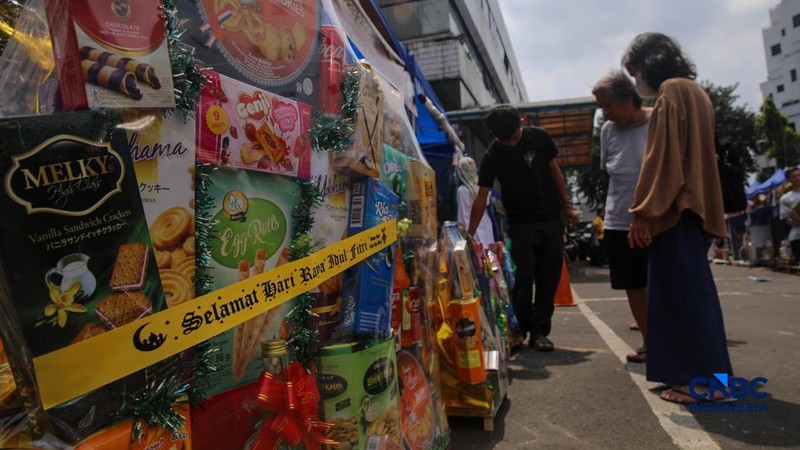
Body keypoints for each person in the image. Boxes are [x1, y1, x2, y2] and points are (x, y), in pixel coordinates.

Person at [623, 32, 733, 404]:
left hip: (677, 210)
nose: (636, 81)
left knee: (684, 297)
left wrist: (644, 212)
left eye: (635, 71)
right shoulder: (696, 91)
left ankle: (704, 382)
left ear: (649, 64)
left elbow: (662, 158)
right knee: (691, 294)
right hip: (694, 209)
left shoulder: (671, 91)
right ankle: (701, 376)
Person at [467, 105, 579, 352]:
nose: (509, 144)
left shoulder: (539, 138)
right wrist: (469, 233)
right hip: (520, 225)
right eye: (503, 139)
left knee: (548, 278)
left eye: (514, 138)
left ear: (522, 121)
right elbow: (481, 196)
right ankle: (519, 331)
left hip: (550, 219)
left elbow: (555, 171)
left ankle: (540, 332)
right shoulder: (493, 154)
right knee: (523, 278)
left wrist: (568, 206)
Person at [592, 70, 651, 363]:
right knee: (633, 283)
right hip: (618, 220)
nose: (605, 112)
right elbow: (613, 172)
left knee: (664, 281)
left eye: (608, 105)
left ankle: (676, 342)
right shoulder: (608, 131)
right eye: (601, 106)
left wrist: (646, 212)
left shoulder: (658, 121)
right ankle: (649, 342)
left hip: (656, 219)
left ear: (629, 97)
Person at [456, 156, 495, 247]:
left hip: (472, 230)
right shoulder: (483, 188)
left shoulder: (462, 191)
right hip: (486, 230)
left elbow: (462, 215)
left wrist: (462, 237)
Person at [779, 166, 800, 262]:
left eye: (799, 175)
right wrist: (795, 216)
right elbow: (787, 220)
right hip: (797, 237)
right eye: (794, 176)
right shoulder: (785, 198)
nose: (798, 178)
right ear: (788, 180)